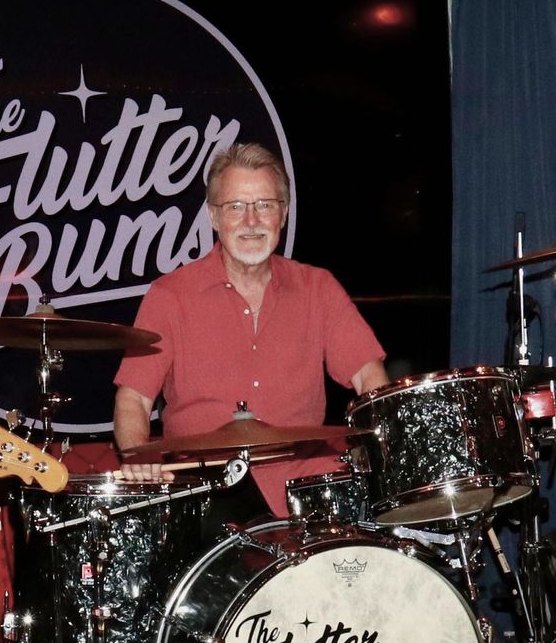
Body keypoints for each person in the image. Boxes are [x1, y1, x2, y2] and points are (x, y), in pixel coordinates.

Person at [113, 142, 389, 524]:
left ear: (284, 213)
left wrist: (384, 444)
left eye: (265, 205)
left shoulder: (318, 288)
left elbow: (370, 379)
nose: (251, 221)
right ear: (213, 216)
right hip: (207, 497)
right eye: (236, 207)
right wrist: (139, 456)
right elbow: (133, 399)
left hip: (310, 496)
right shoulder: (169, 296)